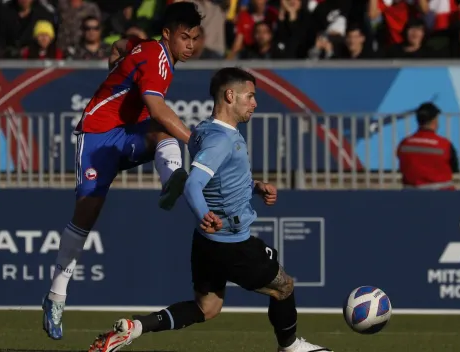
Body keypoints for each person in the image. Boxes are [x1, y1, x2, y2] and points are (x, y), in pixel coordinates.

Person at [87, 67, 333, 352]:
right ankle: (290, 348)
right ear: (230, 95)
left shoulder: (205, 130)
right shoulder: (221, 140)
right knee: (284, 287)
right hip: (231, 243)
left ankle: (135, 328)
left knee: (207, 307)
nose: (255, 103)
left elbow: (220, 178)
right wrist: (205, 214)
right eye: (250, 96)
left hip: (206, 244)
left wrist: (255, 186)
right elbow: (194, 184)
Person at [42, 2, 203, 340]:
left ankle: (172, 177)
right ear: (167, 34)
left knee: (160, 133)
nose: (191, 44)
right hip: (97, 134)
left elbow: (118, 45)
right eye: (185, 37)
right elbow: (157, 108)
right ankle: (56, 295)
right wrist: (195, 141)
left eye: (195, 38)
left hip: (126, 134)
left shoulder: (147, 49)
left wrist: (114, 66)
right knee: (88, 211)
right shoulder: (156, 59)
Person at [397, 102, 459, 190]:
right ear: (435, 120)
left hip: (411, 198)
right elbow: (455, 168)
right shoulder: (445, 145)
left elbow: (402, 164)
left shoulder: (404, 143)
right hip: (443, 197)